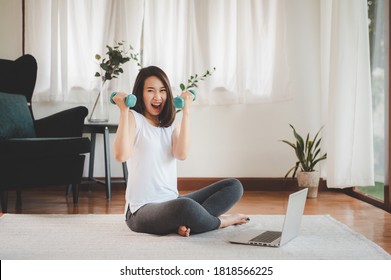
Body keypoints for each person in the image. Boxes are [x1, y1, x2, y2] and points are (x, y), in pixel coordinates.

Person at [112, 66, 249, 237]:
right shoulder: (134, 118)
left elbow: (182, 154)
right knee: (185, 206)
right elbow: (121, 155)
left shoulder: (170, 125)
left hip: (171, 202)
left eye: (162, 91)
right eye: (150, 91)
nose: (157, 97)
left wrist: (186, 112)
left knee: (234, 186)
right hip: (140, 211)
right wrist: (124, 112)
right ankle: (221, 222)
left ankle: (187, 221)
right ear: (140, 94)